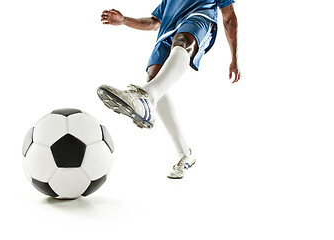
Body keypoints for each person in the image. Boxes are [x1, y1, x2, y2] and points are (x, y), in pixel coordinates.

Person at [98, 0, 241, 179]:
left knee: (182, 42)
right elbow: (154, 22)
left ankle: (144, 96)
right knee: (154, 79)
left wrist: (234, 58)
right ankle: (184, 153)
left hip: (199, 18)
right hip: (168, 30)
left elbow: (228, 17)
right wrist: (124, 20)